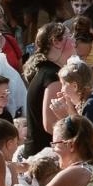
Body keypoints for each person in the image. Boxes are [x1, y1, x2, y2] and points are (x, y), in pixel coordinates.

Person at [22, 23, 70, 159]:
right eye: (69, 37)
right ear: (56, 42)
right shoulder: (52, 76)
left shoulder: (46, 71)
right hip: (43, 156)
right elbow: (50, 125)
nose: (74, 41)